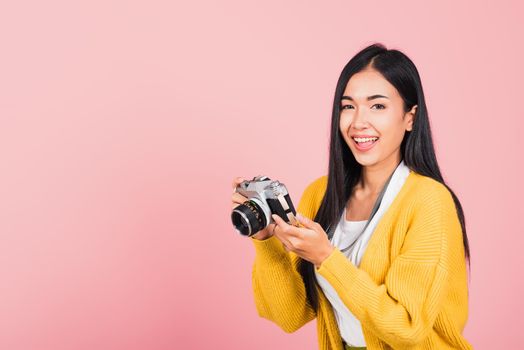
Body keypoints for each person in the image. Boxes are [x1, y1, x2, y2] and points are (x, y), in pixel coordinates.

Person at [231, 43, 472, 350]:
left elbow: (406, 329)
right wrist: (266, 243)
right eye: (348, 106)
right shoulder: (321, 194)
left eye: (378, 106)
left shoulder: (430, 202)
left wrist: (327, 259)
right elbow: (289, 316)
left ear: (410, 117)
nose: (359, 122)